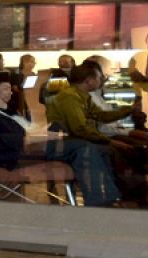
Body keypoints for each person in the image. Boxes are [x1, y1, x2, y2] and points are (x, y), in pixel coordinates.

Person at [45, 64, 139, 207]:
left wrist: (128, 109)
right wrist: (110, 141)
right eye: (99, 78)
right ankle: (101, 199)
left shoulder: (82, 97)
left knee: (106, 150)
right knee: (91, 148)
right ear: (88, 80)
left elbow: (102, 116)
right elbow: (80, 129)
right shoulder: (70, 97)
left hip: (71, 143)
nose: (101, 81)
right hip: (59, 144)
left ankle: (111, 195)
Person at [0, 73, 34, 170]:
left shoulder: (8, 109)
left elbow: (23, 128)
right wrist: (22, 139)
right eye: (6, 89)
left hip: (13, 156)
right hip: (1, 160)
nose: (10, 92)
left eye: (10, 89)